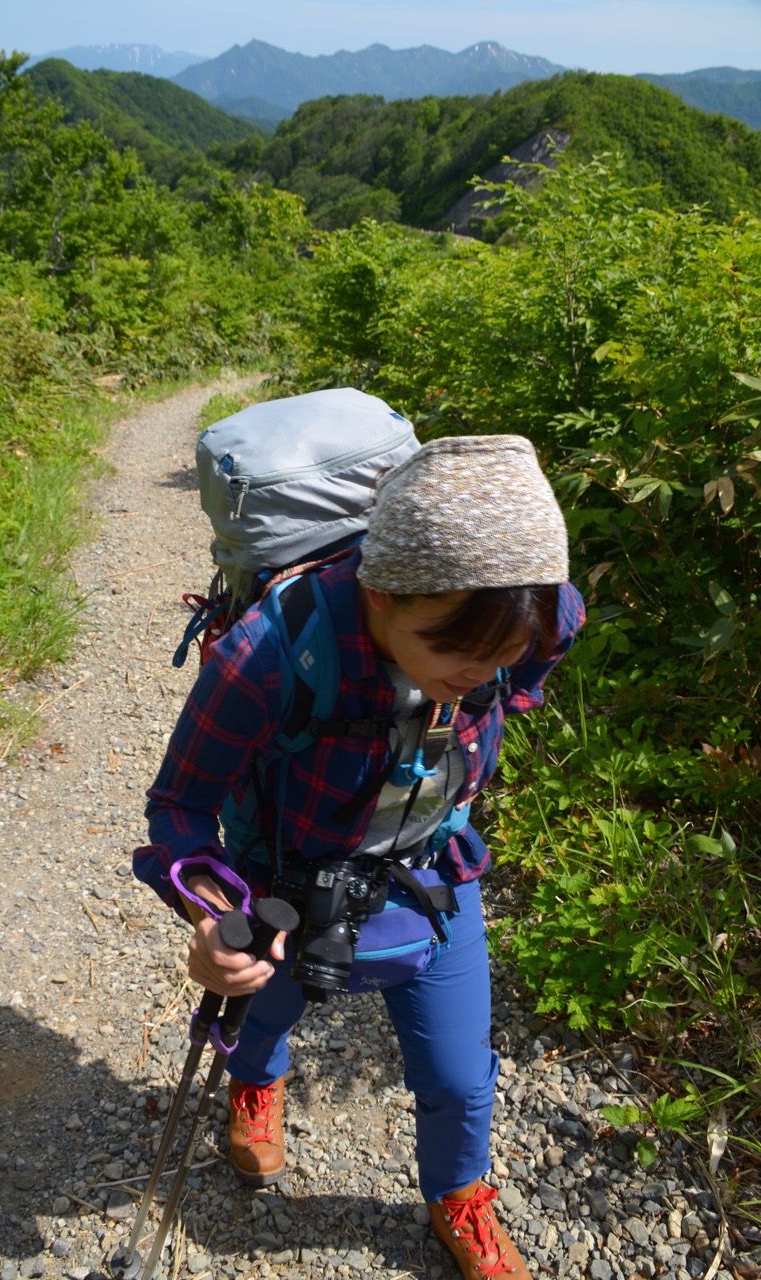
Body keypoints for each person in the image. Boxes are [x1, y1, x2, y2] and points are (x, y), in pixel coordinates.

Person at [134, 434, 585, 1280]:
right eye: (455, 652)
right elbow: (179, 808)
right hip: (287, 878)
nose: (478, 677)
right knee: (264, 1014)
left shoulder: (541, 611)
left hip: (430, 866)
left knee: (458, 1073)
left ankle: (459, 1193)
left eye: (502, 656)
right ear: (380, 595)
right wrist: (213, 916)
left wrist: (507, 687)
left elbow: (542, 652)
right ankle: (255, 1081)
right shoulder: (268, 653)